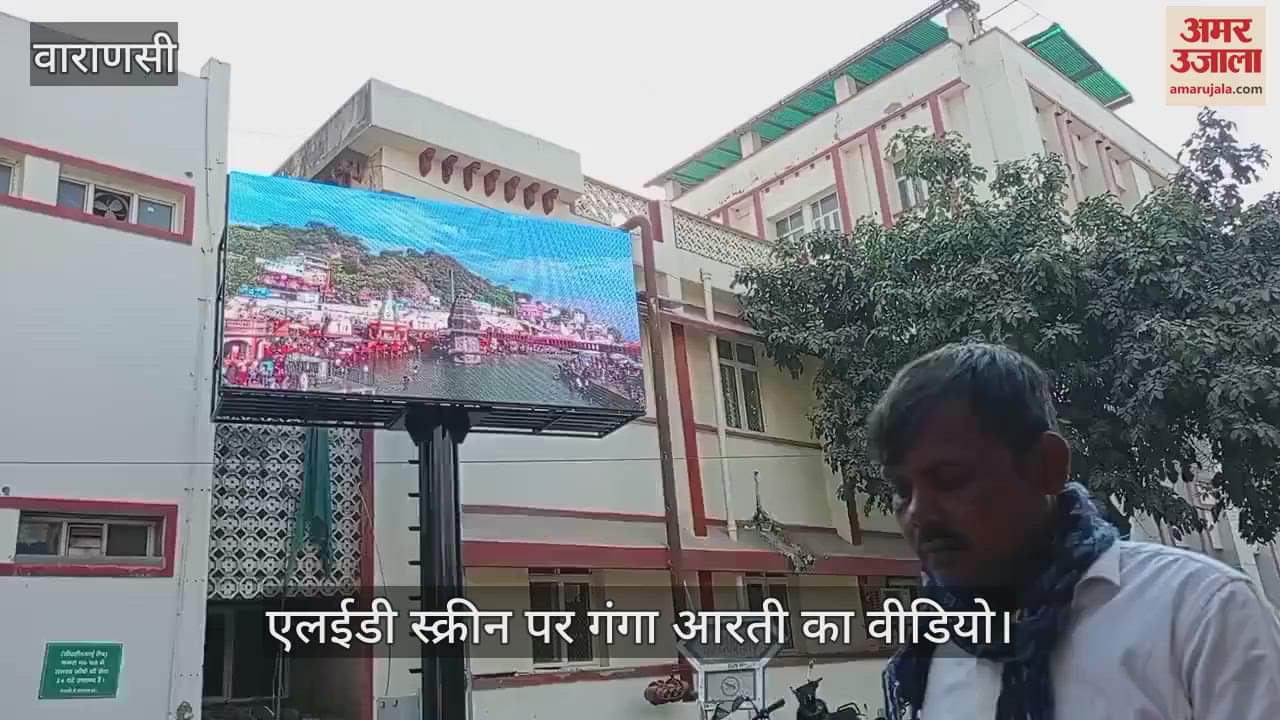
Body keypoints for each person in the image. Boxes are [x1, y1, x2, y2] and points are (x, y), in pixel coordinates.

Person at [869, 343, 1280, 720]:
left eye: (950, 479)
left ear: (1046, 466)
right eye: (902, 491)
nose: (919, 512)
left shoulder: (1199, 612)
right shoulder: (930, 651)